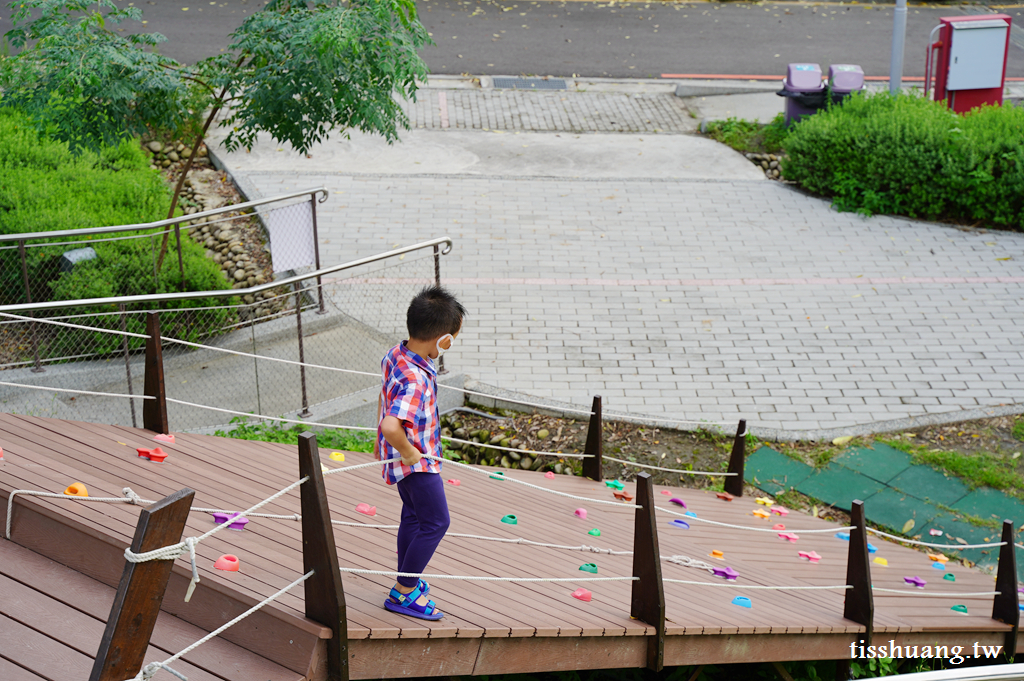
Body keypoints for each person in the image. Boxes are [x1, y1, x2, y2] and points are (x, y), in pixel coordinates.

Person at [376, 285, 466, 621]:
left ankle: (407, 577)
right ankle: (402, 592)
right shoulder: (417, 380)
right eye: (453, 339)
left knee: (413, 518)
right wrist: (411, 453)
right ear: (443, 341)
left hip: (402, 461)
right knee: (437, 522)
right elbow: (391, 425)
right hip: (418, 463)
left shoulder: (396, 354)